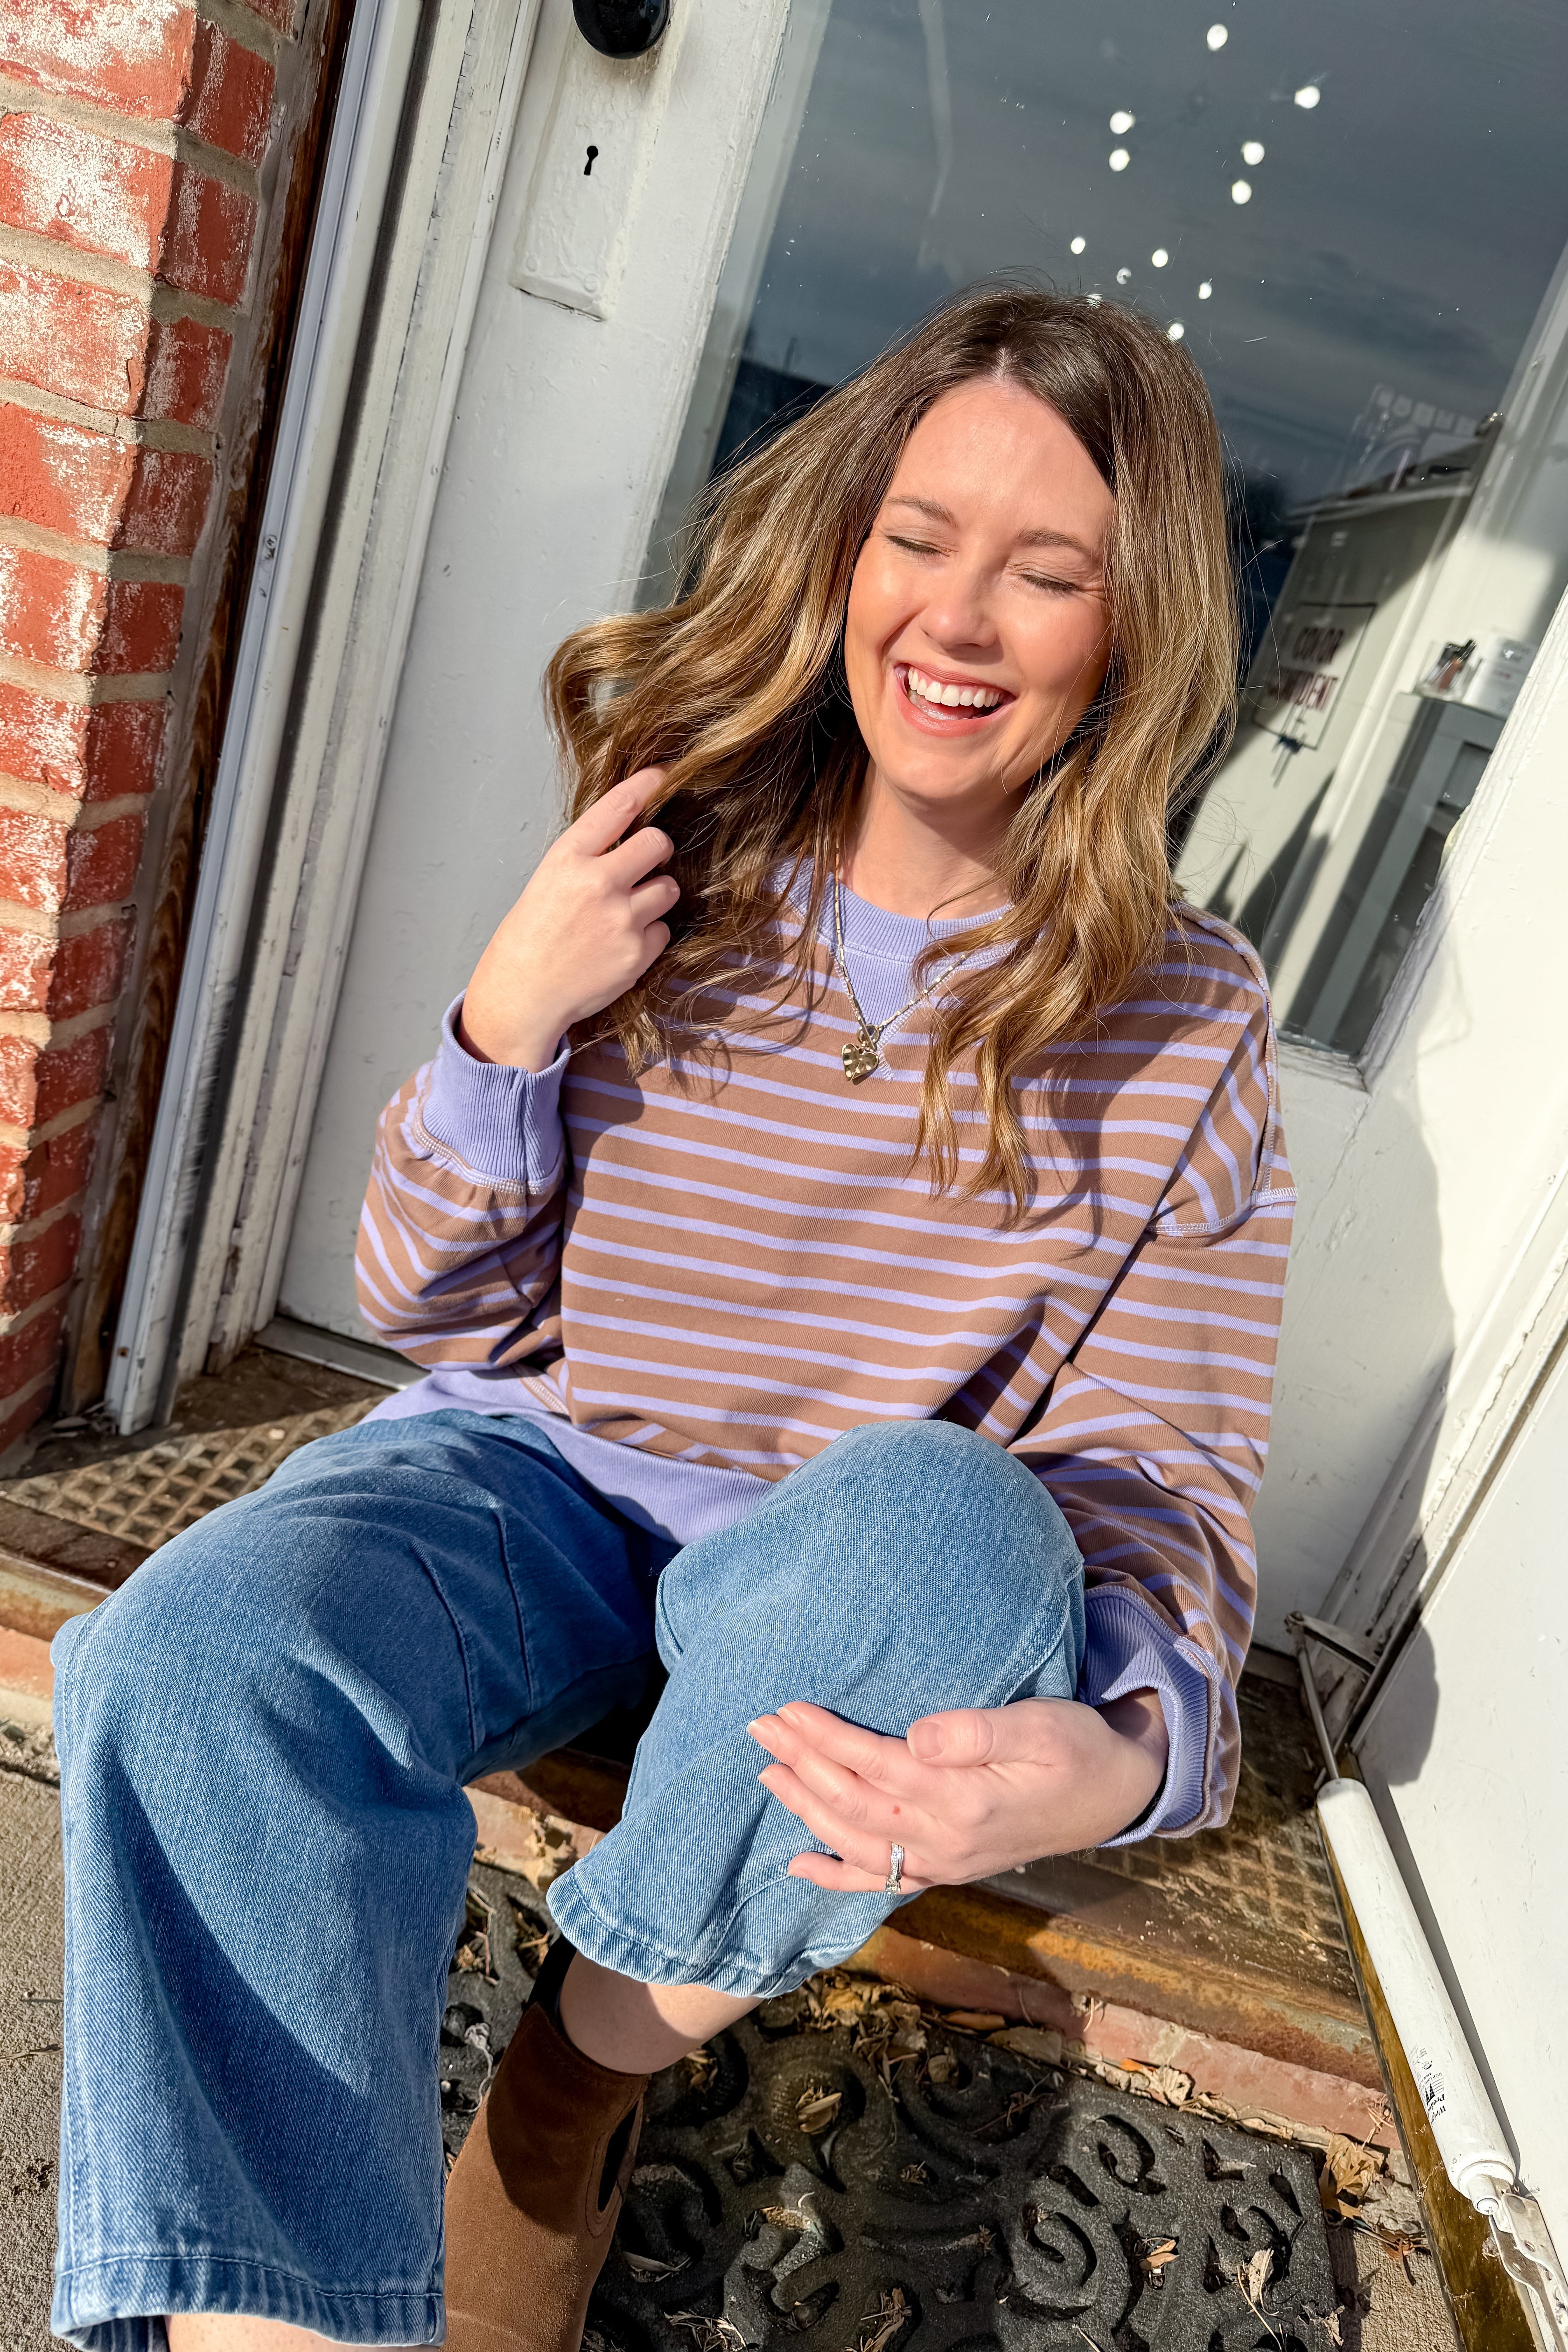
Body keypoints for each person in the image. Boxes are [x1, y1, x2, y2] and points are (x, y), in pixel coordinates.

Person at [49, 285, 1294, 2352]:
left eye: (1047, 570)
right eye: (916, 535)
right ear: (841, 547)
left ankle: (577, 2066)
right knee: (184, 1662)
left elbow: (1163, 1487)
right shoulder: (677, 839)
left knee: (956, 1522)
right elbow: (423, 1304)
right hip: (526, 1481)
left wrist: (1093, 1768)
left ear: (1130, 632)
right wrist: (501, 1022)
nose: (957, 620)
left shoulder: (1187, 1014)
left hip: (841, 1604)